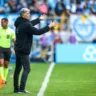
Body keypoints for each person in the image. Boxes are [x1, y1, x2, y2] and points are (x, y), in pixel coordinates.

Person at [13, 8, 56, 93]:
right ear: (23, 15)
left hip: (18, 49)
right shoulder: (25, 25)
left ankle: (16, 89)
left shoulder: (19, 22)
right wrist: (49, 27)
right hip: (23, 50)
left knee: (17, 70)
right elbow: (38, 32)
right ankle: (21, 89)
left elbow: (29, 24)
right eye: (28, 13)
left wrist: (39, 19)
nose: (29, 14)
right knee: (27, 69)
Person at [0, 18, 15, 84]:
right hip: (0, 48)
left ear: (6, 22)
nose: (1, 24)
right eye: (1, 22)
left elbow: (14, 40)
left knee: (6, 65)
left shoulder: (11, 31)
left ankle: (4, 79)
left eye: (2, 22)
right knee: (1, 63)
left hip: (7, 49)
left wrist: (15, 49)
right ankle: (2, 79)